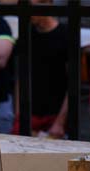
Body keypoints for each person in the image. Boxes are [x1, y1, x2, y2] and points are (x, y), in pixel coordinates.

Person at [12, 1, 69, 138]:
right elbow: (21, 77)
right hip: (30, 113)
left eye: (32, 5)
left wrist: (60, 122)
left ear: (47, 4)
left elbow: (73, 84)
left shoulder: (65, 35)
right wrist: (19, 114)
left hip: (54, 114)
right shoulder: (26, 35)